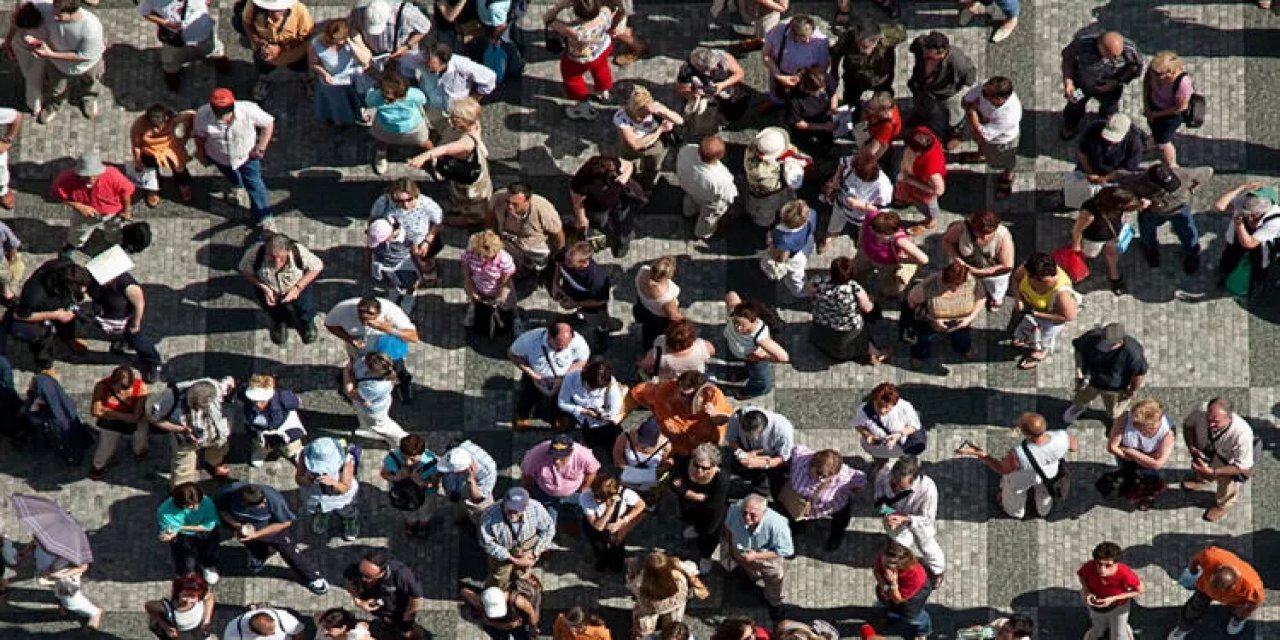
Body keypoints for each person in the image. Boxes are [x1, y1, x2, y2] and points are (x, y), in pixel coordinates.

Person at [956, 412, 1078, 519]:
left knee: (1014, 492)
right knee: (1045, 491)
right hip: (1050, 472)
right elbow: (1074, 447)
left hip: (1024, 477)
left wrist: (981, 454)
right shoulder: (1062, 436)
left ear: (1027, 434)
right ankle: (1043, 511)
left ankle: (1015, 512)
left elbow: (1002, 469)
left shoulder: (1019, 454)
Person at [215, 482, 329, 594]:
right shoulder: (228, 493)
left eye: (263, 501)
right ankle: (259, 557)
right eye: (259, 505)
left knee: (290, 553)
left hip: (273, 531)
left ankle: (312, 577)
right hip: (247, 531)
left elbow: (285, 523)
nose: (264, 504)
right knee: (254, 548)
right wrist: (238, 526)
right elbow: (222, 510)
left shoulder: (274, 499)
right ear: (243, 503)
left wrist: (256, 534)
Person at [193, 88, 276, 227]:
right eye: (218, 113)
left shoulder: (248, 110)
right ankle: (237, 186)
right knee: (230, 174)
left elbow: (268, 123)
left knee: (255, 185)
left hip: (247, 156)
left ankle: (264, 217)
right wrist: (201, 156)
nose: (222, 117)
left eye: (225, 112)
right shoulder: (202, 115)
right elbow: (200, 138)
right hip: (219, 156)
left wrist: (260, 148)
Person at [409, 97, 493, 225]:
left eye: (455, 117)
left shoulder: (466, 142)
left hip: (467, 176)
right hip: (472, 168)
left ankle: (468, 218)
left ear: (464, 121)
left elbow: (446, 149)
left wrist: (423, 157)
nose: (451, 119)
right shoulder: (475, 123)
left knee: (471, 199)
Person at [86, 251, 164, 381]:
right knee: (124, 335)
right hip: (113, 318)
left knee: (138, 341)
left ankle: (154, 362)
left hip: (129, 319)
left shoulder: (128, 285)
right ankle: (124, 341)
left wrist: (135, 323)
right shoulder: (96, 280)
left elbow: (139, 304)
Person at [325, 296, 421, 402]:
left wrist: (388, 329)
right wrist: (350, 339)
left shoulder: (392, 312)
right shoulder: (342, 310)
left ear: (379, 314)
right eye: (361, 319)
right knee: (356, 369)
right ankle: (358, 387)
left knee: (398, 368)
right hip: (359, 350)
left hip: (386, 349)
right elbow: (330, 325)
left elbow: (414, 337)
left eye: (369, 321)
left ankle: (403, 386)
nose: (365, 324)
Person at [1121, 163, 1212, 274]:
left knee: (1188, 233)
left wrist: (1194, 188)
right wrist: (1138, 202)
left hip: (1179, 211)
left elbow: (1208, 171)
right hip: (1151, 211)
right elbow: (1123, 191)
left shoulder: (1185, 174)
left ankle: (1192, 254)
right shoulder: (1136, 181)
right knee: (1147, 232)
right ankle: (1150, 250)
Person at [6, 257, 91, 370]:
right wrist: (54, 315)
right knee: (42, 337)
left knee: (69, 321)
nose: (84, 290)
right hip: (38, 314)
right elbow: (20, 315)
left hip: (60, 303)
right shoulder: (34, 295)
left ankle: (68, 339)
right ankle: (45, 363)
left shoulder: (66, 263)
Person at [148, 376, 235, 487]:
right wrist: (180, 429)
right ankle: (181, 491)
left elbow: (229, 382)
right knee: (183, 468)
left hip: (214, 434)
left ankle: (214, 464)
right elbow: (153, 418)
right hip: (185, 440)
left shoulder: (213, 387)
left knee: (218, 451)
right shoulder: (169, 398)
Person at [239, 232, 324, 345]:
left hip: (296, 287)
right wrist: (264, 288)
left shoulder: (298, 252)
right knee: (273, 309)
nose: (276, 262)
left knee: (305, 306)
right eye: (271, 257)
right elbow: (245, 270)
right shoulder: (254, 253)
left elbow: (317, 267)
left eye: (281, 258)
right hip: (269, 289)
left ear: (288, 251)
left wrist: (297, 289)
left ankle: (307, 322)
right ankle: (279, 323)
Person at [628, 371, 732, 462]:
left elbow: (728, 423)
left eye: (690, 396)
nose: (684, 400)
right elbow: (638, 392)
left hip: (701, 454)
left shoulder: (715, 398)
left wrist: (715, 416)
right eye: (682, 394)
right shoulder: (666, 391)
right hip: (672, 449)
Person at [1181, 397, 1256, 522]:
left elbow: (1242, 467)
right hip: (1205, 455)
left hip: (1227, 465)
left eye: (1216, 422)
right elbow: (1188, 426)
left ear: (1229, 418)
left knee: (1226, 487)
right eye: (1208, 419)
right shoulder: (1200, 410)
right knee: (1200, 469)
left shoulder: (1243, 434)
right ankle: (1202, 480)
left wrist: (1214, 473)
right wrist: (1192, 446)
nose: (1210, 425)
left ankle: (1223, 505)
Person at [1059, 31, 1144, 140]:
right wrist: (1069, 82)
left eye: (1116, 57)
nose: (1111, 60)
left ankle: (1106, 129)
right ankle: (1070, 126)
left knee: (1110, 111)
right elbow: (1068, 59)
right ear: (1099, 46)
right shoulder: (1081, 45)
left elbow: (1135, 68)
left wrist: (1117, 81)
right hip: (1081, 86)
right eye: (1109, 55)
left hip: (1110, 88)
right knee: (1074, 107)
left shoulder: (1130, 51)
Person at [1167, 545, 1265, 639]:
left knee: (1240, 609)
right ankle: (1183, 627)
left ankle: (1237, 620)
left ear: (1234, 586)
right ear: (1216, 571)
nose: (1215, 594)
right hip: (1204, 588)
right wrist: (1193, 570)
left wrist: (1242, 614)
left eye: (1219, 591)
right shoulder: (1211, 556)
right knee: (1194, 607)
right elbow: (1197, 558)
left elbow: (1254, 603)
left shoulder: (1253, 587)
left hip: (1235, 600)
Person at [723, 494, 795, 620]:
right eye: (744, 512)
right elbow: (728, 527)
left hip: (767, 557)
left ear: (764, 512)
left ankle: (775, 603)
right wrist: (728, 545)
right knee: (747, 569)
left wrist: (757, 555)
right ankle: (752, 577)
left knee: (774, 580)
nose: (747, 518)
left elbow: (786, 550)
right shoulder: (735, 510)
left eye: (753, 514)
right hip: (741, 550)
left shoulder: (778, 524)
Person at [508, 320, 591, 430]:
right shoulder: (529, 340)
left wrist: (563, 378)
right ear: (549, 337)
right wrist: (533, 375)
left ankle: (559, 417)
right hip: (535, 376)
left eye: (567, 345)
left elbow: (581, 361)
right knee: (527, 396)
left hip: (563, 378)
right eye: (559, 346)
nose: (563, 349)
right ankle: (523, 415)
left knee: (561, 400)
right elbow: (513, 355)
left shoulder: (578, 342)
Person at [32, 0, 105, 123]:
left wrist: (50, 54)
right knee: (56, 88)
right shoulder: (51, 10)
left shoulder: (91, 28)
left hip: (87, 65)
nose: (54, 17)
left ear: (73, 12)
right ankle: (53, 105)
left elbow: (83, 56)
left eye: (59, 15)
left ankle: (88, 98)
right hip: (57, 64)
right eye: (54, 12)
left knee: (90, 82)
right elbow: (26, 7)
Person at [874, 456, 944, 585]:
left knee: (928, 547)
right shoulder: (884, 475)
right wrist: (889, 514)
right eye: (895, 484)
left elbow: (927, 518)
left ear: (914, 480)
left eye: (902, 487)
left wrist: (905, 518)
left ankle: (937, 570)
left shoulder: (928, 489)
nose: (897, 489)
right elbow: (879, 500)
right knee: (899, 544)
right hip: (894, 519)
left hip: (919, 524)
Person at [807, 256, 887, 364]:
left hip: (823, 318)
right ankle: (876, 353)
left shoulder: (819, 282)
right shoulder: (854, 288)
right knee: (862, 333)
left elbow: (809, 292)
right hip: (847, 325)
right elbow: (868, 308)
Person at [1063, 322, 1148, 424]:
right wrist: (1079, 369)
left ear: (1119, 342)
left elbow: (1139, 373)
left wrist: (1132, 390)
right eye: (1102, 340)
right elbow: (1079, 349)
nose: (1102, 345)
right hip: (1088, 380)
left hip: (1114, 388)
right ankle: (1079, 407)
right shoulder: (1091, 337)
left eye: (1107, 343)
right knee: (1081, 398)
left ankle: (1117, 413)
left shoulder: (1132, 353)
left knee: (1113, 411)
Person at [903, 261, 984, 368]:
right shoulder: (928, 287)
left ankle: (963, 349)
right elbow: (911, 304)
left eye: (959, 285)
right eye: (951, 286)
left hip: (961, 322)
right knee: (923, 339)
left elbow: (981, 299)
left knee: (962, 337)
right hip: (931, 323)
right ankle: (919, 356)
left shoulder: (972, 282)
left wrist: (970, 318)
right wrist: (931, 318)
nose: (955, 289)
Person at [545, 0, 615, 121]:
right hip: (603, 49)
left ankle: (583, 107)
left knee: (572, 78)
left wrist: (560, 5)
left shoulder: (575, 31)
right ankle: (604, 92)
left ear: (576, 13)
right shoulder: (605, 13)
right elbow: (611, 9)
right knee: (601, 69)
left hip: (580, 59)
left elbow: (547, 19)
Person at [52, 152, 134, 255]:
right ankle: (74, 245)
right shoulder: (65, 179)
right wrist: (79, 206)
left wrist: (127, 210)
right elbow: (58, 194)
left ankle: (114, 242)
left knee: (114, 229)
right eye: (85, 176)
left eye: (94, 176)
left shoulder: (113, 175)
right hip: (85, 215)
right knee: (79, 231)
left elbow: (126, 192)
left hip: (113, 212)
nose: (90, 180)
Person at [784, 446, 864, 551]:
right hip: (802, 503)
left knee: (840, 522)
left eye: (828, 476)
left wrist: (850, 491)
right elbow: (793, 451)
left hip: (834, 506)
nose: (822, 479)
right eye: (819, 473)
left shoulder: (845, 476)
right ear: (812, 465)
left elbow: (860, 481)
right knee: (797, 519)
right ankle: (799, 527)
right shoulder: (800, 458)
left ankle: (835, 538)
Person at [369, 178, 444, 288]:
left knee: (425, 264)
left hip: (421, 242)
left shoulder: (427, 204)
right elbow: (373, 220)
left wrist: (427, 241)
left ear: (416, 194)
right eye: (399, 201)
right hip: (396, 243)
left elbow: (438, 223)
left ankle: (430, 279)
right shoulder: (383, 202)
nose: (405, 205)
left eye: (409, 199)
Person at [138, 0, 228, 92]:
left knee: (212, 48)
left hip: (203, 30)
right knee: (171, 59)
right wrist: (165, 23)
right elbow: (145, 12)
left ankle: (220, 61)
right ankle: (172, 76)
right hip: (174, 37)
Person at [1009, 251, 1079, 369]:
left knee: (1043, 339)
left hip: (1050, 319)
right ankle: (1025, 339)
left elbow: (1069, 316)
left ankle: (1040, 353)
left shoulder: (1062, 292)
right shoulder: (1030, 268)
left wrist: (1037, 314)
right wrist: (1018, 299)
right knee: (1024, 328)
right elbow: (1016, 278)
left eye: (1041, 280)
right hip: (1028, 309)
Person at [906, 31, 975, 149]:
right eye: (924, 52)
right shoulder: (921, 44)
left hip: (947, 93)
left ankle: (956, 134)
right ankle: (922, 117)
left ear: (941, 53)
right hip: (923, 87)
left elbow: (969, 79)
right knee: (922, 104)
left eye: (929, 55)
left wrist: (952, 87)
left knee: (954, 114)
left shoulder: (958, 62)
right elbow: (913, 48)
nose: (924, 56)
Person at [1100, 399, 1174, 509]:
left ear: (1149, 426)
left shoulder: (1167, 433)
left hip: (1139, 460)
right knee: (1128, 476)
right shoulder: (1125, 417)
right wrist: (1131, 457)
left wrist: (1130, 452)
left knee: (1148, 481)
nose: (1132, 421)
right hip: (1127, 459)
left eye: (1136, 423)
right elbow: (1112, 447)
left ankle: (1147, 498)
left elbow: (1157, 463)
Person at [958, 76, 1021, 200]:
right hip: (983, 124)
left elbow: (982, 135)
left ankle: (1007, 176)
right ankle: (981, 154)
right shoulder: (986, 88)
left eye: (987, 95)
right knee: (980, 143)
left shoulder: (1008, 115)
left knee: (1007, 160)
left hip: (1002, 141)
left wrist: (972, 113)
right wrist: (975, 115)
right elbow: (965, 101)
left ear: (999, 99)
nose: (982, 94)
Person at [1212, 182, 1280, 297]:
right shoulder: (1246, 202)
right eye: (1247, 214)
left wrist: (1239, 225)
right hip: (1236, 241)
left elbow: (1249, 243)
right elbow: (1220, 206)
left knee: (1257, 271)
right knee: (1229, 260)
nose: (1249, 218)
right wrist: (1241, 187)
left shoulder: (1275, 221)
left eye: (1253, 215)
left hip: (1261, 249)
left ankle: (1253, 289)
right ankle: (1225, 277)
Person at [239, 0, 314, 102]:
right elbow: (246, 23)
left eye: (279, 10)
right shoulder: (253, 6)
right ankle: (263, 81)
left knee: (301, 68)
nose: (275, 14)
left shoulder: (300, 10)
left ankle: (307, 82)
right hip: (264, 52)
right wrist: (256, 40)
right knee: (263, 69)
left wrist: (280, 49)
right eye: (272, 9)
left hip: (293, 53)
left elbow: (306, 36)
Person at [819, 150, 893, 255]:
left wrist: (860, 205)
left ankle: (860, 244)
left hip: (861, 217)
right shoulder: (858, 162)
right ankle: (831, 236)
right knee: (835, 223)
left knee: (862, 232)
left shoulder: (884, 187)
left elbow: (882, 211)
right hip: (841, 204)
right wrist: (836, 179)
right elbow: (843, 162)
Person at [480, 487, 556, 588]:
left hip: (527, 545)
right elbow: (487, 543)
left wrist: (535, 553)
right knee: (499, 575)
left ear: (525, 507)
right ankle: (497, 592)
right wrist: (513, 560)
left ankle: (521, 586)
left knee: (523, 572)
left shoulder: (536, 508)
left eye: (516, 510)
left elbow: (548, 529)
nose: (512, 513)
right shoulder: (489, 516)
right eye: (509, 508)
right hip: (502, 548)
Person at [487, 182, 566, 277]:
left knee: (539, 260)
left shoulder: (544, 210)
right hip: (507, 241)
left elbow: (557, 233)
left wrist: (558, 256)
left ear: (527, 201)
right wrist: (491, 235)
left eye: (515, 204)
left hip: (532, 246)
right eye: (508, 202)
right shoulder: (498, 198)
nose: (510, 207)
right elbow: (489, 215)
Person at [720, 292, 789, 400]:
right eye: (735, 323)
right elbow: (731, 294)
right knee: (750, 368)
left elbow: (783, 357)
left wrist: (762, 357)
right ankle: (745, 373)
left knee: (763, 383)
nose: (738, 328)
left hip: (754, 359)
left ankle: (748, 392)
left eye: (743, 326)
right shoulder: (735, 311)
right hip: (744, 355)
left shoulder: (759, 336)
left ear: (754, 321)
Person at [673, 442, 729, 575]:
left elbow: (713, 504)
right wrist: (696, 496)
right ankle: (696, 529)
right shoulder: (685, 464)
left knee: (709, 534)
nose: (699, 471)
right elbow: (673, 483)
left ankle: (706, 556)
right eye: (696, 465)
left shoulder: (721, 479)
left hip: (712, 513)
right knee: (691, 520)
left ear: (714, 466)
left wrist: (685, 491)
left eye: (705, 468)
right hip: (691, 507)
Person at [547, 242, 613, 354]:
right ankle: (578, 316)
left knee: (599, 322)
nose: (565, 262)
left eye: (569, 262)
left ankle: (602, 337)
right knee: (580, 312)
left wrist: (576, 304)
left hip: (591, 305)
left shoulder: (596, 279)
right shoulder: (565, 254)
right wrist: (555, 284)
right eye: (566, 258)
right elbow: (558, 263)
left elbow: (601, 300)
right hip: (572, 293)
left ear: (584, 263)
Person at [829, 17, 905, 115]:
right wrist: (834, 77)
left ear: (877, 40)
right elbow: (835, 54)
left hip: (881, 80)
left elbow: (903, 32)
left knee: (883, 107)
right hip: (854, 78)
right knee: (851, 105)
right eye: (858, 44)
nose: (862, 50)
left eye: (865, 47)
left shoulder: (889, 36)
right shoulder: (848, 38)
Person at [614, 85, 683, 193]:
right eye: (642, 112)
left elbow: (679, 121)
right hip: (631, 149)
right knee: (629, 167)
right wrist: (660, 130)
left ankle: (647, 186)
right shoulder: (621, 117)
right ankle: (631, 184)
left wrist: (664, 112)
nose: (646, 115)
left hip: (655, 146)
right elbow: (635, 145)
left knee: (653, 168)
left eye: (647, 111)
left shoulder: (655, 108)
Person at [343, 550, 424, 640]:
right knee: (388, 624)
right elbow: (348, 581)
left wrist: (408, 615)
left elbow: (416, 597)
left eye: (368, 577)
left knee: (409, 633)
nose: (363, 579)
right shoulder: (358, 568)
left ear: (382, 573)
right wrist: (358, 600)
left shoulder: (401, 574)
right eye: (362, 574)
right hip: (380, 610)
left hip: (399, 612)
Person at [88, 365, 151, 481]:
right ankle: (98, 466)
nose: (121, 392)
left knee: (141, 437)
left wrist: (109, 412)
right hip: (111, 423)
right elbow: (95, 411)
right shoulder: (102, 386)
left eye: (125, 388)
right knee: (106, 446)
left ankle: (140, 451)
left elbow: (135, 417)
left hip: (129, 419)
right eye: (118, 388)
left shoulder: (141, 388)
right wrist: (122, 416)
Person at [521, 432, 601, 522]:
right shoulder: (536, 454)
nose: (557, 461)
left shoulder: (583, 455)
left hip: (574, 493)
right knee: (549, 524)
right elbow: (527, 477)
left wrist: (584, 488)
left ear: (571, 453)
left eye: (562, 458)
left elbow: (592, 471)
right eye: (554, 456)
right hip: (545, 494)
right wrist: (530, 496)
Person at [401, 42, 497, 117]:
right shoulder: (420, 58)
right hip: (431, 104)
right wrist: (411, 81)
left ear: (444, 62)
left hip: (456, 109)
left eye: (432, 64)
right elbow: (404, 62)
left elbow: (490, 77)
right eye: (426, 62)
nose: (427, 66)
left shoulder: (462, 64)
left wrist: (473, 100)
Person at [854, 210, 930, 303]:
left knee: (885, 284)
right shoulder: (872, 216)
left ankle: (881, 295)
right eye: (874, 230)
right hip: (865, 253)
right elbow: (863, 225)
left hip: (886, 264)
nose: (874, 234)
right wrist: (860, 242)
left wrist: (902, 259)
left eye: (879, 234)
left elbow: (924, 259)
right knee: (857, 271)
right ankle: (856, 284)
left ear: (891, 233)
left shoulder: (899, 240)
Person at [570, 155, 639, 257]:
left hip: (619, 202)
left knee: (625, 225)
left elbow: (629, 166)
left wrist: (622, 180)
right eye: (611, 172)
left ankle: (622, 242)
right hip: (598, 209)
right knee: (606, 228)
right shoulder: (583, 181)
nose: (614, 172)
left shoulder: (611, 162)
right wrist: (581, 218)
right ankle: (612, 240)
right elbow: (577, 200)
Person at [295, 437, 361, 541]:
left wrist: (333, 483)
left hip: (340, 497)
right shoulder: (305, 454)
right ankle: (323, 515)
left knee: (347, 510)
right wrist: (307, 479)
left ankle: (349, 520)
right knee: (320, 509)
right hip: (316, 496)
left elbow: (345, 488)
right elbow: (298, 478)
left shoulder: (346, 461)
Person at [367, 71, 432, 176]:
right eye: (387, 97)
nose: (389, 101)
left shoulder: (413, 94)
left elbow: (422, 100)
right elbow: (369, 101)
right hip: (386, 126)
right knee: (382, 142)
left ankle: (434, 157)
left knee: (424, 142)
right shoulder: (376, 97)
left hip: (413, 126)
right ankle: (381, 154)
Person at [743, 127, 809, 228]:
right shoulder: (759, 172)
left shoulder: (757, 145)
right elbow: (773, 185)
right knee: (765, 216)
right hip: (767, 192)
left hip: (776, 186)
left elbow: (791, 149)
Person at [627, 551, 706, 637]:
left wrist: (632, 570)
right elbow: (692, 572)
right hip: (675, 605)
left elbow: (631, 586)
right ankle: (668, 633)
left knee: (645, 624)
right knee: (672, 623)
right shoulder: (679, 572)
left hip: (650, 608)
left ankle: (644, 635)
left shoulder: (641, 583)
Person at [1076, 541, 1144, 640]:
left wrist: (1113, 598)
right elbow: (1082, 575)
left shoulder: (1125, 574)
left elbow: (1140, 590)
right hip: (1095, 605)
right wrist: (1086, 591)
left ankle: (1125, 630)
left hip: (1118, 607)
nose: (1102, 570)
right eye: (1099, 564)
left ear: (1117, 563)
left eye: (1108, 565)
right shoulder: (1089, 566)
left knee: (1119, 635)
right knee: (1098, 626)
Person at [129, 105, 195, 205]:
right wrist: (137, 160)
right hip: (150, 150)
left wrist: (186, 135)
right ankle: (154, 188)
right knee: (150, 171)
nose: (156, 129)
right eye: (153, 126)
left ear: (166, 118)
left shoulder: (173, 119)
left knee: (179, 167)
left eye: (159, 124)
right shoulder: (139, 125)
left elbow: (191, 115)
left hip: (169, 147)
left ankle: (183, 185)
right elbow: (136, 145)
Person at [581, 473, 647, 572]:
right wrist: (609, 509)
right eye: (596, 497)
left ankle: (616, 566)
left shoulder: (626, 493)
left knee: (617, 550)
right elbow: (598, 526)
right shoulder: (586, 496)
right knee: (598, 548)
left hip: (616, 528)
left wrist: (624, 521)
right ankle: (602, 561)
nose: (597, 501)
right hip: (594, 526)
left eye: (601, 499)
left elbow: (641, 505)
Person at [761, 16, 832, 108]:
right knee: (777, 93)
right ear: (792, 34)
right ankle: (775, 102)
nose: (808, 41)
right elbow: (766, 55)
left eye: (810, 36)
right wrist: (778, 75)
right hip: (778, 72)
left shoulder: (821, 41)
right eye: (803, 39)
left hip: (803, 79)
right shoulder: (778, 31)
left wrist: (800, 78)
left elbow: (822, 67)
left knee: (797, 101)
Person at [677, 136, 739, 241]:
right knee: (708, 218)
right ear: (720, 156)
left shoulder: (686, 150)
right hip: (709, 201)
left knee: (690, 200)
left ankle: (688, 213)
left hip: (689, 188)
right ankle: (702, 233)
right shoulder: (720, 178)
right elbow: (729, 196)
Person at [675, 48, 749, 136]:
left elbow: (740, 74)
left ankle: (727, 118)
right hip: (705, 93)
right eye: (709, 70)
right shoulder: (686, 71)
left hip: (728, 89)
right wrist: (695, 93)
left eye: (716, 65)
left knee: (736, 107)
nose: (716, 68)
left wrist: (723, 85)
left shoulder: (721, 57)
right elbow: (681, 89)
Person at [157, 483, 221, 582]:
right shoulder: (165, 511)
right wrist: (168, 535)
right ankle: (187, 574)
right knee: (185, 560)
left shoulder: (206, 501)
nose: (196, 508)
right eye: (190, 506)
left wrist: (179, 527)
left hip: (203, 532)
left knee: (210, 551)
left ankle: (208, 565)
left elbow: (209, 526)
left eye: (198, 503)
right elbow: (169, 530)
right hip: (182, 536)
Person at [308, 19, 367, 127]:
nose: (330, 43)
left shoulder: (351, 42)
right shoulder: (316, 44)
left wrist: (350, 43)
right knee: (338, 106)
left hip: (352, 78)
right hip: (333, 80)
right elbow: (313, 63)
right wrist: (324, 74)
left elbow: (364, 60)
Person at [726, 408, 795, 497]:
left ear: (762, 430)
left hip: (769, 460)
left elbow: (784, 458)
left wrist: (759, 463)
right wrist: (742, 454)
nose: (748, 437)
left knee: (764, 491)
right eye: (745, 433)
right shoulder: (736, 417)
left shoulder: (783, 430)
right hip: (742, 451)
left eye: (750, 435)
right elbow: (731, 441)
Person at [343, 352, 408, 447]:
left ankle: (402, 441)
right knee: (365, 418)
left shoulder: (374, 387)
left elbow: (351, 392)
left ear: (372, 371)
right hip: (371, 403)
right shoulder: (379, 366)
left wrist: (346, 371)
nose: (362, 361)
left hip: (375, 412)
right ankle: (365, 428)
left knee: (384, 427)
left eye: (365, 364)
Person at [240, 374, 305, 467]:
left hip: (283, 428)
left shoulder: (283, 397)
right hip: (259, 430)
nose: (257, 404)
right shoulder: (244, 392)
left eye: (262, 400)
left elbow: (295, 402)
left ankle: (296, 453)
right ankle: (261, 452)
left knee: (291, 446)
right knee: (259, 444)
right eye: (254, 400)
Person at [851, 382, 925, 464]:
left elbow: (914, 426)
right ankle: (880, 461)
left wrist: (898, 435)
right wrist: (867, 435)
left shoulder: (904, 407)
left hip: (901, 446)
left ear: (894, 404)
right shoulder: (864, 410)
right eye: (879, 405)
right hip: (878, 447)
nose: (882, 410)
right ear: (873, 400)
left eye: (887, 407)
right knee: (879, 458)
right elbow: (857, 425)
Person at [379, 433, 438, 535]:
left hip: (426, 495)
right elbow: (384, 474)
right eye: (404, 458)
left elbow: (435, 483)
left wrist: (420, 482)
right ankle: (411, 525)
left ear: (422, 453)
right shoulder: (392, 459)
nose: (408, 463)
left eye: (413, 459)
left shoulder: (431, 462)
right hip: (403, 495)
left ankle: (423, 527)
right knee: (408, 513)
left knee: (425, 513)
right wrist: (396, 477)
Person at [557, 359, 624, 449]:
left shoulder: (612, 386)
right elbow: (562, 402)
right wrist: (582, 411)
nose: (591, 391)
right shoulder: (571, 378)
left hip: (603, 422)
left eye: (597, 389)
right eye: (589, 386)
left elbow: (614, 411)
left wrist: (601, 414)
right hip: (581, 418)